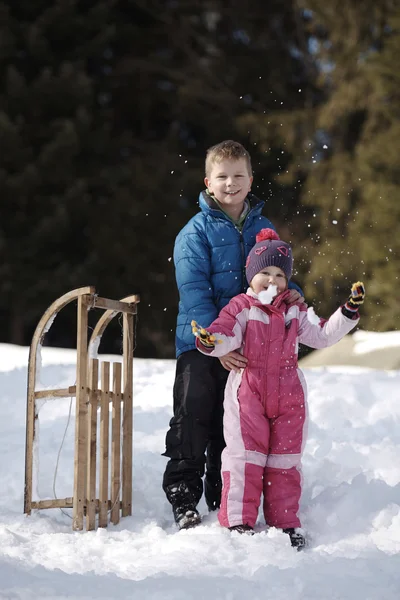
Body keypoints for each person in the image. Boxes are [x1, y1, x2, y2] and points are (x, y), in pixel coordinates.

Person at [192, 228, 365, 550]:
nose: (272, 280)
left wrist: (348, 312)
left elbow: (322, 336)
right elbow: (224, 333)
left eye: (279, 274)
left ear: (287, 280)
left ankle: (284, 522)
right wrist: (211, 342)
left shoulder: (295, 311)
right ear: (251, 276)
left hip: (289, 393)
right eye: (264, 273)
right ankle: (239, 520)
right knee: (245, 456)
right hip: (250, 391)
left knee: (285, 460)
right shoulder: (242, 307)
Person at [162, 140, 304, 530]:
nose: (230, 183)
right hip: (202, 341)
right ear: (208, 182)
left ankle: (221, 490)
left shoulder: (263, 229)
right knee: (195, 413)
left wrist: (296, 299)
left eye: (238, 176)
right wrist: (217, 343)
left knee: (235, 424)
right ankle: (183, 491)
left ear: (251, 180)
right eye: (222, 176)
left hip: (252, 349)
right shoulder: (194, 233)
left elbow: (281, 279)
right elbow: (194, 293)